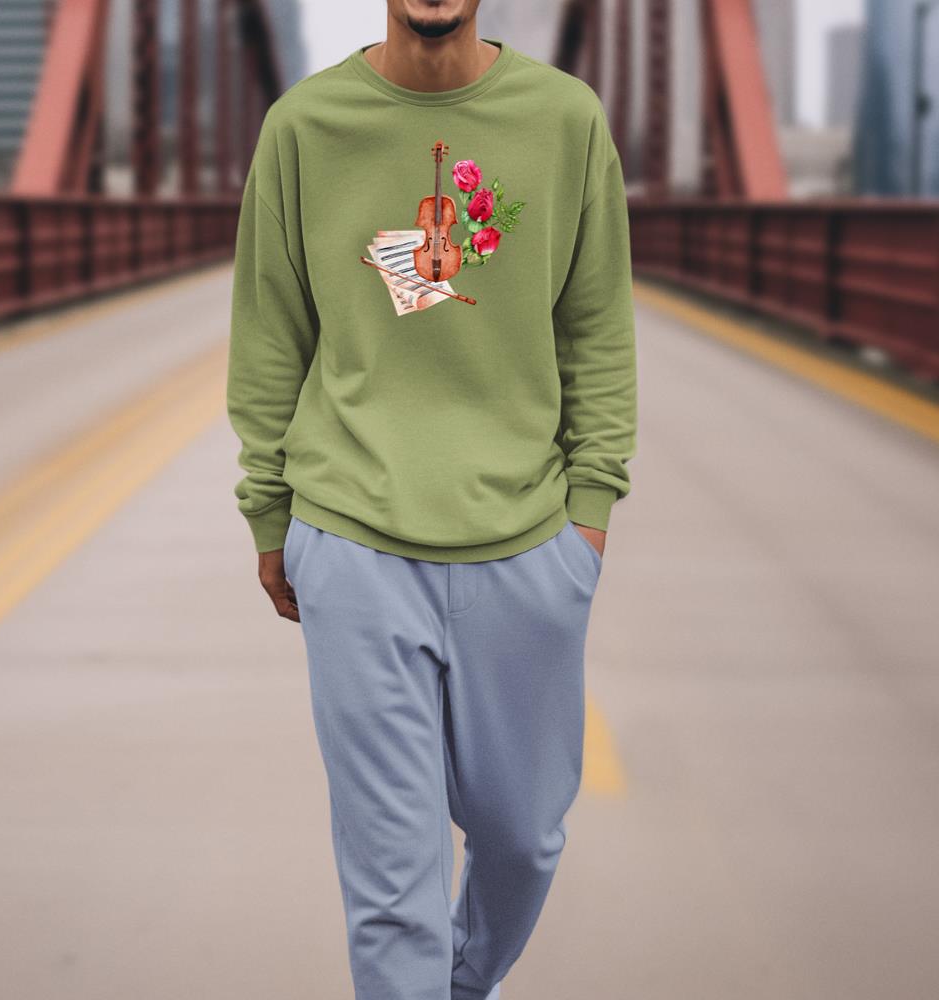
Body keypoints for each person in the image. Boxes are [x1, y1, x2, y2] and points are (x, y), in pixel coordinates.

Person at [226, 2, 638, 997]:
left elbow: (596, 328)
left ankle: (460, 984)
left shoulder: (566, 118)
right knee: (393, 889)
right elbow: (271, 333)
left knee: (523, 840)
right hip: (353, 538)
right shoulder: (303, 126)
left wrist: (587, 519)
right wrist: (270, 513)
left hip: (527, 543)